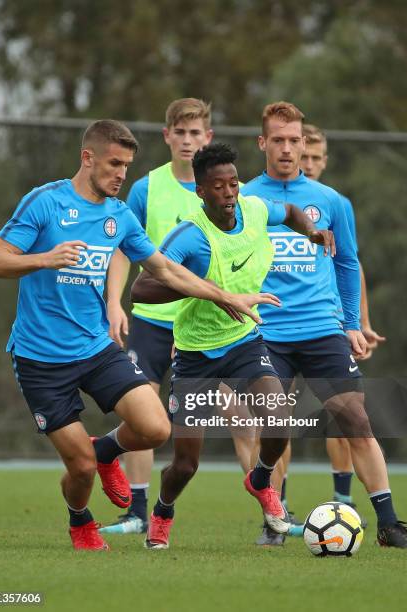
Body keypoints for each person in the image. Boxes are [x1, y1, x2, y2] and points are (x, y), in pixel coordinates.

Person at [0, 120, 281, 551]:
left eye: (127, 165)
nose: (122, 173)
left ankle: (106, 452)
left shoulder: (119, 215)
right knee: (80, 470)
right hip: (40, 358)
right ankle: (80, 519)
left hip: (95, 347)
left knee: (156, 427)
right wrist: (45, 259)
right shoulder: (45, 203)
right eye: (114, 163)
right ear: (88, 158)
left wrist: (224, 296)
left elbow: (163, 269)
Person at [129, 142, 335, 549]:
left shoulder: (256, 210)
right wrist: (208, 291)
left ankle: (259, 479)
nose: (229, 192)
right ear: (201, 192)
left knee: (279, 421)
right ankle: (162, 512)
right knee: (186, 465)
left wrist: (312, 232)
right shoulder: (190, 236)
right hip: (194, 354)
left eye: (233, 183)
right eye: (218, 186)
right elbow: (142, 288)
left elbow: (291, 212)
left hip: (243, 342)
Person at [241, 101, 407, 549]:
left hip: (322, 330)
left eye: (294, 140)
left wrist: (351, 322)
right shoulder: (243, 197)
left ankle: (388, 524)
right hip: (266, 332)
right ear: (263, 143)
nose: (287, 148)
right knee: (274, 428)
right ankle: (275, 521)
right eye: (278, 140)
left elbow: (347, 264)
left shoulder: (332, 202)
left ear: (304, 144)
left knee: (357, 421)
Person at [102, 98, 253, 536]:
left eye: (196, 133)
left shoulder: (230, 193)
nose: (187, 140)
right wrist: (114, 304)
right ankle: (137, 511)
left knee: (242, 414)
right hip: (152, 319)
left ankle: (272, 508)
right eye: (180, 133)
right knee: (143, 415)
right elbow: (124, 250)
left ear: (207, 137)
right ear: (167, 136)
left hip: (207, 323)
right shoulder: (147, 188)